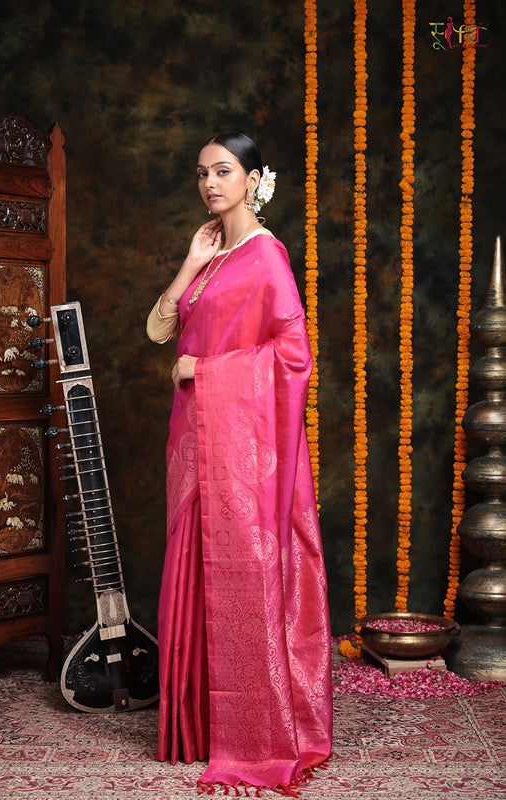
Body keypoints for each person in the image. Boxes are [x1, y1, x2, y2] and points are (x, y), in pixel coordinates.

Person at [146, 133, 332, 796]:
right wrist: (190, 263)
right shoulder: (212, 254)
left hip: (241, 444)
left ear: (253, 180)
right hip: (194, 438)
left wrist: (205, 371)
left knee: (241, 567)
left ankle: (251, 729)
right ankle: (197, 726)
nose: (210, 184)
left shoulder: (266, 255)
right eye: (202, 173)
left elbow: (293, 354)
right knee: (192, 563)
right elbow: (157, 329)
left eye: (223, 171)